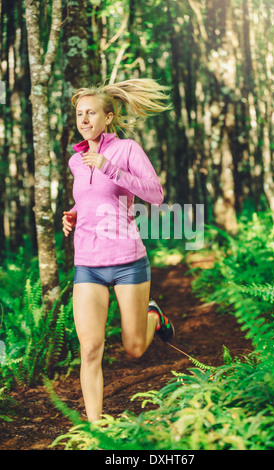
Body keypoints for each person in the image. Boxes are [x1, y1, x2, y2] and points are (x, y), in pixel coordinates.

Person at [62, 78, 175, 422]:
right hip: (88, 265)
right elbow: (92, 198)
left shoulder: (128, 150)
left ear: (107, 118)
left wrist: (109, 167)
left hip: (128, 261)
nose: (84, 119)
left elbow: (155, 194)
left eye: (91, 112)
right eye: (80, 114)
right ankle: (96, 430)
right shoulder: (75, 162)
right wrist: (73, 214)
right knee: (91, 348)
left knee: (134, 348)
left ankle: (153, 316)